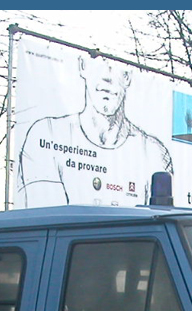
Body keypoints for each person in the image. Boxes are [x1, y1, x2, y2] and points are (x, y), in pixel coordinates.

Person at [17, 55, 173, 208]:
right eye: (98, 66)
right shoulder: (46, 134)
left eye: (119, 72)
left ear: (128, 78)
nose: (108, 77)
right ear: (82, 66)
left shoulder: (154, 153)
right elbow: (49, 220)